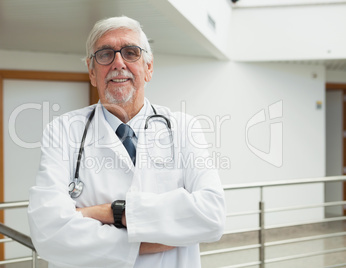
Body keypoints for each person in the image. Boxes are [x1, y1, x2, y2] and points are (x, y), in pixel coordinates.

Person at [28, 16, 225, 268]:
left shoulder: (184, 127)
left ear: (148, 68)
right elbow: (48, 232)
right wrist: (153, 237)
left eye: (131, 53)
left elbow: (212, 216)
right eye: (105, 54)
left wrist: (110, 212)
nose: (118, 62)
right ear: (91, 70)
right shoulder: (63, 130)